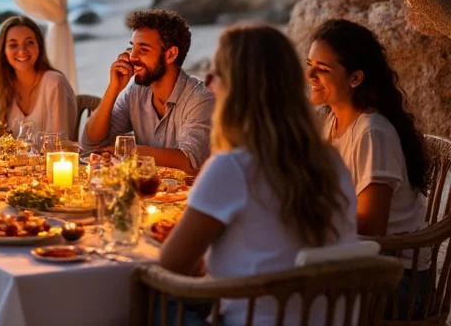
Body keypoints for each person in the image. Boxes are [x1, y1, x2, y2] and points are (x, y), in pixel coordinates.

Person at [159, 25, 358, 325]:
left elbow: (168, 268)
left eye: (215, 75)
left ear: (238, 89)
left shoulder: (232, 167)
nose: (208, 83)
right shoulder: (330, 162)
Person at [307, 19, 428, 314]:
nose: (310, 74)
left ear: (355, 78)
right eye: (309, 63)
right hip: (357, 261)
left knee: (276, 291)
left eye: (322, 69)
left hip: (396, 282)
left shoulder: (372, 133)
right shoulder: (331, 124)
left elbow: (372, 228)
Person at [82, 9, 213, 174]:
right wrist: (113, 89)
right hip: (150, 193)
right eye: (132, 48)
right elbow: (91, 144)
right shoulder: (136, 93)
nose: (132, 57)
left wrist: (129, 152)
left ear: (171, 54)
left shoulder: (201, 99)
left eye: (143, 50)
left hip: (190, 196)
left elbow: (189, 160)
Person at [0, 15, 77, 137]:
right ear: (3, 51)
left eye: (29, 42)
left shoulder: (54, 83)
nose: (22, 51)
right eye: (13, 45)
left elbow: (59, 142)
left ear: (39, 47)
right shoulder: (5, 86)